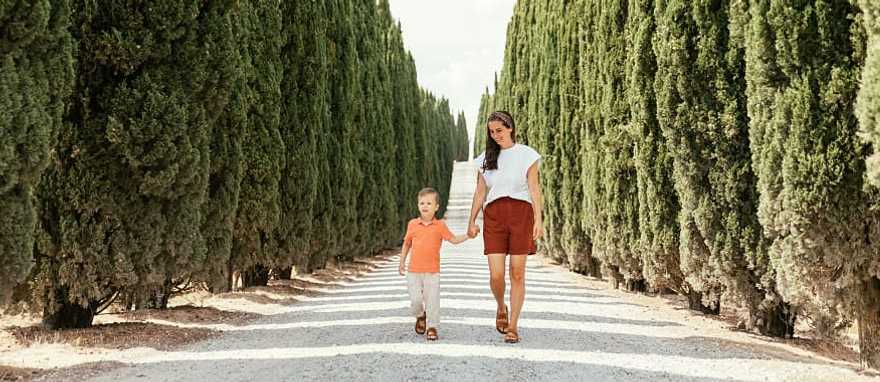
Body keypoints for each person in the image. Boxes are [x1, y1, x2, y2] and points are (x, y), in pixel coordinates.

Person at [468, 110, 543, 344]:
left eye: (499, 130)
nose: (496, 135)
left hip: (522, 214)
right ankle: (501, 306)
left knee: (517, 273)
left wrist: (538, 219)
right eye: (492, 132)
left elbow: (534, 189)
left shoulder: (527, 155)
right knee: (496, 274)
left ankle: (513, 327)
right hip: (494, 217)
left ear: (510, 127)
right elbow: (480, 192)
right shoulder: (485, 159)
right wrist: (471, 220)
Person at [399, 187, 470, 341]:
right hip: (414, 271)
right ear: (418, 205)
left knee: (432, 300)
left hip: (432, 271)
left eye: (429, 203)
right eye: (422, 203)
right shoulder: (412, 224)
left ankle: (432, 327)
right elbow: (406, 244)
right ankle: (420, 315)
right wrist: (402, 261)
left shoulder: (440, 226)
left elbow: (454, 240)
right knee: (416, 300)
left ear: (436, 207)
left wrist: (468, 235)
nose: (425, 206)